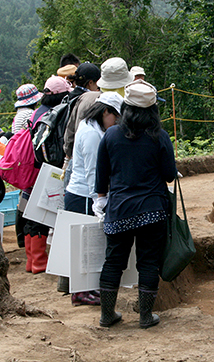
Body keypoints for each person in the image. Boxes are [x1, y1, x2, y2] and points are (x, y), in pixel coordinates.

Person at [94, 80, 176, 328]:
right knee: (148, 262)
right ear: (152, 111)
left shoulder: (110, 135)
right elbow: (169, 174)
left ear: (126, 108)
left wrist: (101, 200)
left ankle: (107, 315)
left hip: (119, 208)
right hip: (152, 209)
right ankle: (145, 316)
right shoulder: (159, 137)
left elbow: (101, 176)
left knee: (113, 261)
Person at [63, 92, 123, 306]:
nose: (115, 123)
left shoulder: (89, 127)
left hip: (79, 194)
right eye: (114, 117)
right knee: (86, 246)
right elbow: (92, 172)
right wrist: (98, 200)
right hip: (82, 195)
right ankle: (81, 291)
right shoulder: (91, 134)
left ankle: (86, 288)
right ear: (105, 111)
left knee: (85, 246)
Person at [19, 75, 72, 275]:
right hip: (48, 168)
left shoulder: (35, 114)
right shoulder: (54, 114)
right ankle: (40, 261)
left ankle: (32, 260)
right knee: (43, 213)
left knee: (32, 212)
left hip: (33, 167)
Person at [62, 62, 102, 187]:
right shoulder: (92, 99)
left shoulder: (68, 97)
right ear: (90, 83)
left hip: (71, 159)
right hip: (84, 163)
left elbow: (69, 133)